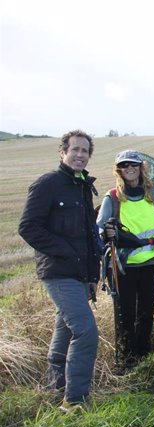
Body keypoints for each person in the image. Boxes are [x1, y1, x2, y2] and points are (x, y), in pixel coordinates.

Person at [18, 130, 101, 410]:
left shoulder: (82, 187)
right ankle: (75, 400)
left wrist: (92, 276)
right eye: (75, 149)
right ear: (62, 152)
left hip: (79, 273)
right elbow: (28, 227)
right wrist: (65, 250)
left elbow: (89, 237)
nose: (80, 154)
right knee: (86, 331)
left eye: (85, 151)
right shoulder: (48, 184)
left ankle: (55, 389)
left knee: (65, 329)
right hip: (58, 271)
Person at [97, 149, 154, 372]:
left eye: (134, 165)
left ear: (140, 167)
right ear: (119, 170)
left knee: (146, 311)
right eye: (125, 165)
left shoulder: (150, 192)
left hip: (149, 263)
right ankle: (125, 360)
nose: (129, 168)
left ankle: (143, 356)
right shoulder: (112, 197)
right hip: (123, 265)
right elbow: (98, 228)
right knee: (125, 313)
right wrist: (106, 234)